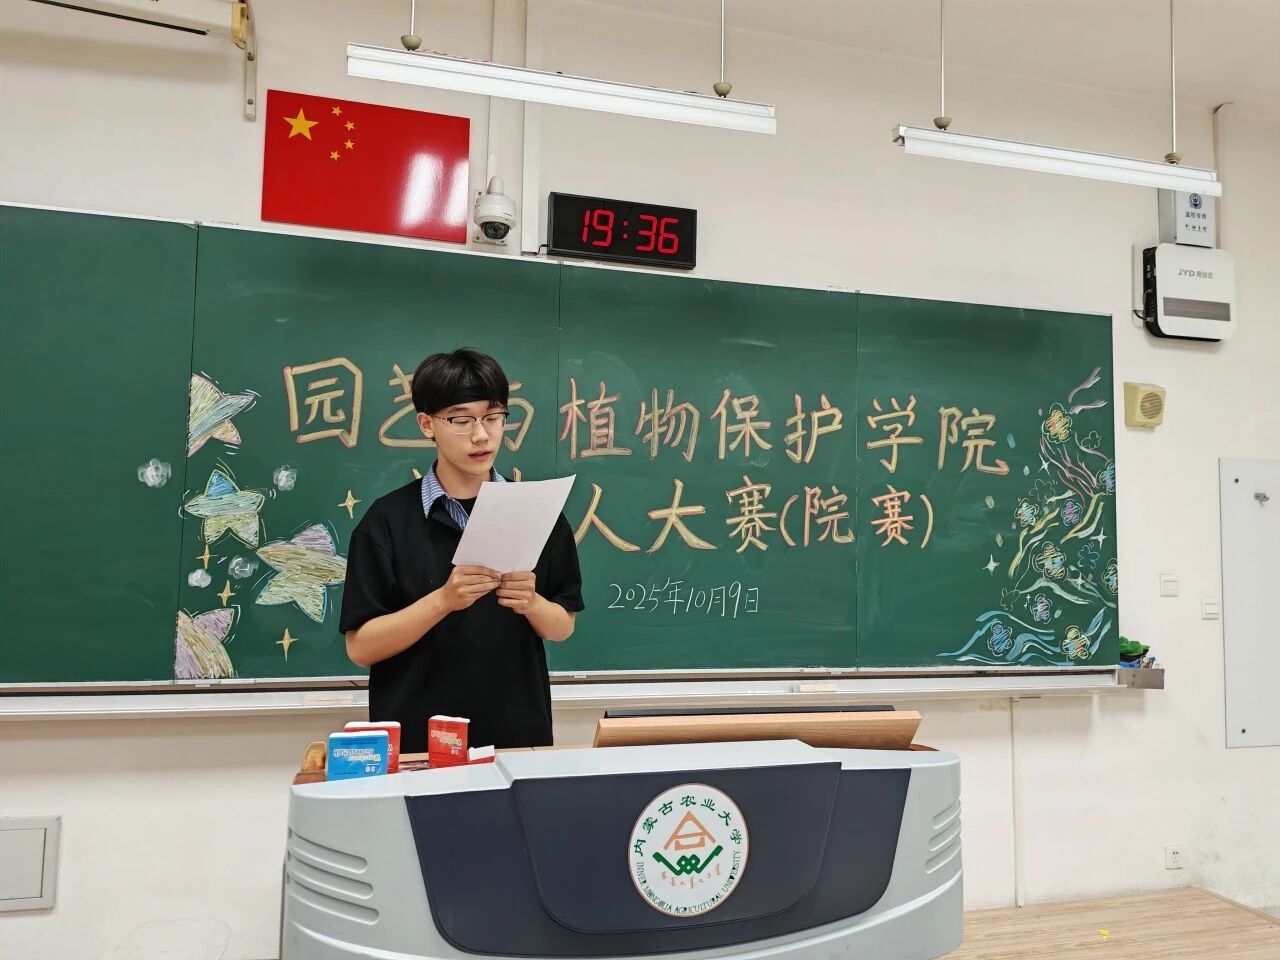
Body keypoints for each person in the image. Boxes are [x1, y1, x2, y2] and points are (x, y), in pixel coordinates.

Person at [339, 348, 582, 753]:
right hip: (418, 745)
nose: (481, 435)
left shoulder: (538, 513)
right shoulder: (386, 521)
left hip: (516, 738)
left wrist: (531, 603)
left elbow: (563, 626)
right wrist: (444, 600)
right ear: (426, 424)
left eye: (493, 417)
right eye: (461, 420)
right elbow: (360, 648)